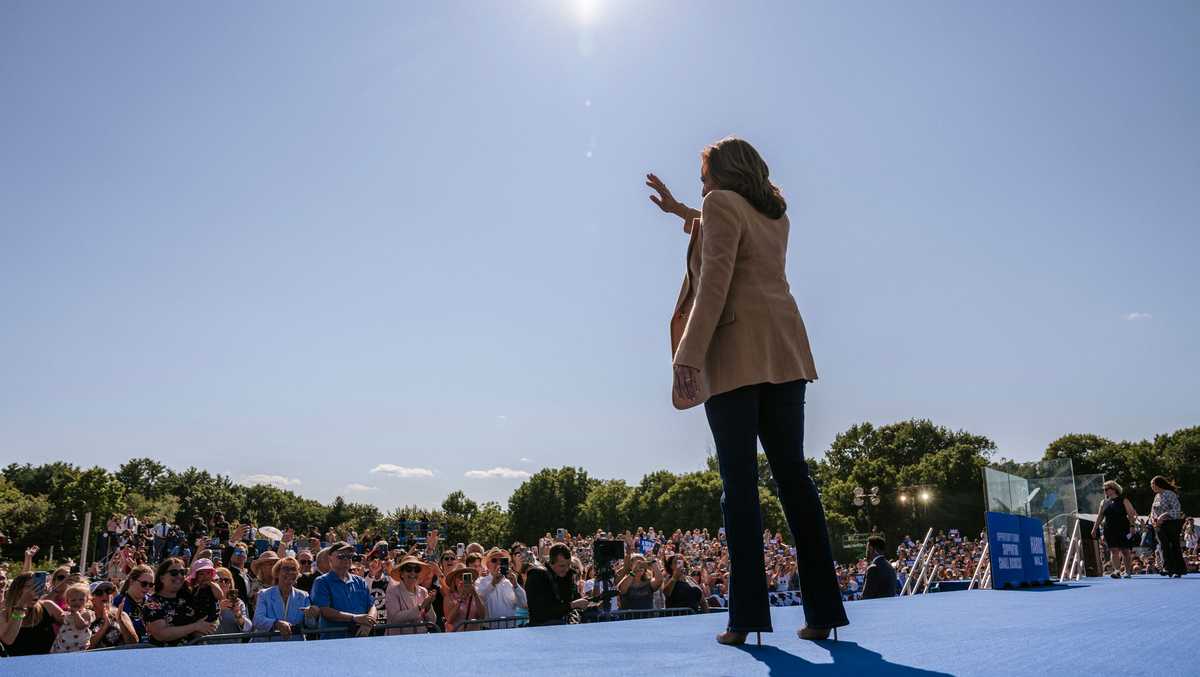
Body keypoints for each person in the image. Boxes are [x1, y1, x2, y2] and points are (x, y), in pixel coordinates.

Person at [648, 137, 847, 645]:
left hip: (735, 356)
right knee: (795, 483)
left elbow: (715, 276)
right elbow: (726, 226)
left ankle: (746, 619)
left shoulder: (721, 204)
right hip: (785, 351)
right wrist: (681, 212)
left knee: (739, 489)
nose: (702, 187)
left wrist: (686, 356)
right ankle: (823, 614)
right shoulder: (774, 213)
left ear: (721, 175)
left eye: (704, 176)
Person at [143, 557, 219, 647]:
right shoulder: (153, 603)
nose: (179, 576)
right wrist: (196, 626)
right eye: (174, 573)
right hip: (165, 655)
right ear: (162, 578)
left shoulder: (190, 597)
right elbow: (161, 634)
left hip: (195, 652)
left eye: (182, 573)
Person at [310, 541, 376, 639]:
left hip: (361, 638)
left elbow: (372, 606)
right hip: (334, 641)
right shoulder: (322, 582)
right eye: (341, 556)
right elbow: (325, 610)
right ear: (330, 558)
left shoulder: (360, 581)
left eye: (349, 557)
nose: (346, 559)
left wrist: (368, 623)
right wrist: (355, 618)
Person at [253, 556, 320, 641]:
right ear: (277, 573)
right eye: (286, 569)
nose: (290, 572)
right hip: (268, 645)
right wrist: (276, 624)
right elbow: (258, 620)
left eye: (294, 569)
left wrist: (311, 615)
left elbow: (310, 626)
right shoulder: (264, 594)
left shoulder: (303, 596)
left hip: (294, 645)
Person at [524, 543, 590, 627]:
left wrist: (589, 603)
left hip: (563, 627)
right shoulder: (536, 576)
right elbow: (541, 612)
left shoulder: (568, 575)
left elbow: (574, 599)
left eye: (568, 565)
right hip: (542, 628)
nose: (566, 569)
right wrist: (572, 605)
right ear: (551, 562)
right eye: (562, 566)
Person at [1, 572, 65, 656]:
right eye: (29, 587)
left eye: (37, 586)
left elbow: (73, 623)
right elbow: (8, 640)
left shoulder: (48, 606)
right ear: (17, 590)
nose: (34, 590)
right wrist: (21, 605)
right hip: (15, 665)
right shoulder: (3, 615)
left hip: (47, 664)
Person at [1092, 480, 1138, 578]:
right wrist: (1094, 528)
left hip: (1123, 528)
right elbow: (1100, 516)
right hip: (1109, 528)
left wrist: (1132, 526)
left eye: (1106, 489)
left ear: (1113, 489)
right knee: (1113, 550)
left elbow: (1131, 514)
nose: (1105, 491)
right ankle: (1117, 571)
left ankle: (1128, 571)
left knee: (1125, 550)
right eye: (1104, 489)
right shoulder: (1104, 502)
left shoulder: (1123, 500)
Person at [385, 555, 437, 634]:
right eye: (409, 569)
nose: (413, 573)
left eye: (416, 570)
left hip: (420, 639)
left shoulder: (423, 591)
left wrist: (428, 606)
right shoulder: (392, 592)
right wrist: (420, 607)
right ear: (401, 573)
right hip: (399, 640)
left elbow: (432, 622)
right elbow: (395, 618)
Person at [475, 548, 527, 620]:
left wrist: (515, 585)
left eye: (502, 560)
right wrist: (492, 584)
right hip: (489, 629)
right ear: (487, 564)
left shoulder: (511, 582)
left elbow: (523, 604)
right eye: (494, 560)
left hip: (510, 628)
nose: (498, 563)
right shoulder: (480, 581)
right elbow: (479, 601)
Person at [1150, 476, 1187, 578]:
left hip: (1172, 523)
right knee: (1163, 545)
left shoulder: (1170, 494)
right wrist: (1153, 519)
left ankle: (1178, 569)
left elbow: (1176, 509)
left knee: (1173, 544)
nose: (1152, 487)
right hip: (1159, 525)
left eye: (1152, 485)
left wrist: (1164, 515)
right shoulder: (1157, 496)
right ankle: (1167, 568)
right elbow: (1153, 510)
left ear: (1158, 484)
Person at [87, 581, 139, 649]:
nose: (105, 594)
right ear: (91, 598)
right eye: (99, 592)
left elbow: (134, 643)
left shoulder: (121, 614)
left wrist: (120, 621)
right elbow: (86, 647)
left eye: (108, 591)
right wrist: (105, 626)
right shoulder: (85, 618)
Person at [113, 563, 154, 641]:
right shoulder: (119, 601)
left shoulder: (152, 601)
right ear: (132, 581)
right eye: (144, 584)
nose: (147, 587)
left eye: (151, 585)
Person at [50, 583, 94, 653]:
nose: (77, 602)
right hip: (62, 646)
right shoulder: (67, 614)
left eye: (81, 600)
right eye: (73, 600)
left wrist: (76, 613)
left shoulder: (87, 613)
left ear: (87, 600)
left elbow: (80, 626)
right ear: (68, 601)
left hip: (79, 647)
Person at [442, 565, 487, 632]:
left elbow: (482, 616)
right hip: (456, 636)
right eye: (460, 577)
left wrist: (474, 592)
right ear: (454, 580)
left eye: (466, 577)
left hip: (474, 635)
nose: (463, 579)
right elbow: (449, 619)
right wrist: (461, 599)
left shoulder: (477, 596)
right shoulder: (449, 597)